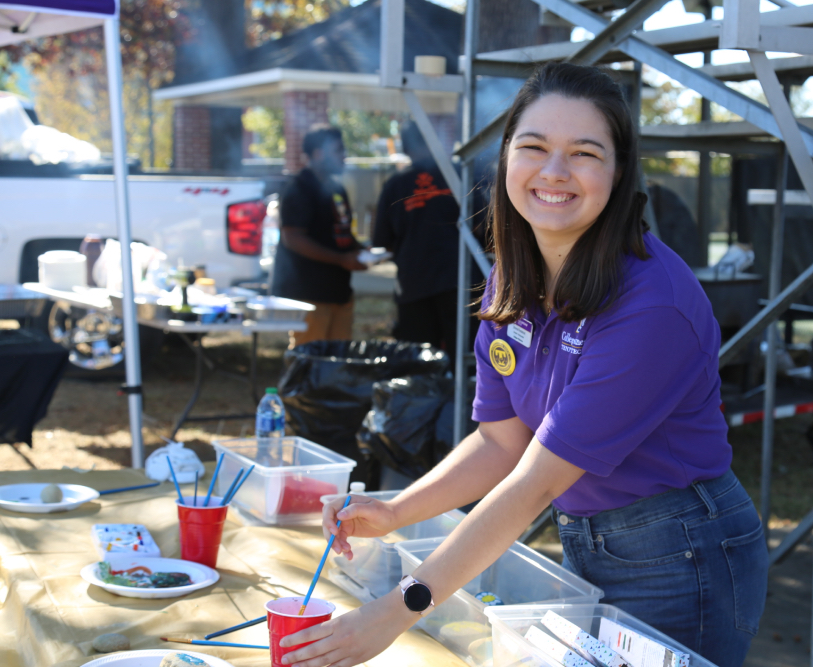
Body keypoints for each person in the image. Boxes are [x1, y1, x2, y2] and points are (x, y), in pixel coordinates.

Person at [279, 63, 768, 667]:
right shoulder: (514, 281)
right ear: (507, 157)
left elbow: (533, 483)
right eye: (533, 147)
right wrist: (395, 511)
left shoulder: (652, 304)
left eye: (584, 153)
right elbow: (502, 442)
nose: (554, 171)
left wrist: (395, 611)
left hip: (682, 551)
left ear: (618, 173)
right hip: (590, 540)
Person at [272, 125, 367, 347]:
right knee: (309, 361)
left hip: (339, 291)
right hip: (309, 294)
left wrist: (361, 251)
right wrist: (342, 259)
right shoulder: (299, 189)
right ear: (318, 154)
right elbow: (292, 238)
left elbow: (340, 231)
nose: (344, 156)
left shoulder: (336, 189)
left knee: (338, 359)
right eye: (338, 150)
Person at [372, 122, 460, 356]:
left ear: (406, 148)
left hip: (414, 283)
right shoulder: (459, 175)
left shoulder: (395, 185)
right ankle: (462, 392)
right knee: (462, 355)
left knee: (418, 359)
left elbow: (382, 240)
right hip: (459, 283)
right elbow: (484, 229)